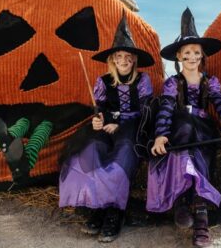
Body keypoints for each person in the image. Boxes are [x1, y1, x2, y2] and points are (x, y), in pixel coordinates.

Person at [57, 13, 156, 243]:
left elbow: (145, 112)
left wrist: (118, 122)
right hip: (106, 128)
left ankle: (114, 212)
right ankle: (98, 207)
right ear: (112, 59)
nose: (123, 60)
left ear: (134, 59)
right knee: (90, 151)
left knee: (123, 154)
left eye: (128, 56)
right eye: (119, 56)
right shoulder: (102, 81)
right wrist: (98, 120)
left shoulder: (143, 81)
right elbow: (100, 109)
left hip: (132, 127)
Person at [147, 8, 221, 248]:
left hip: (202, 128)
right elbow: (166, 109)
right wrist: (160, 136)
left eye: (196, 52)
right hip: (179, 129)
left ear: (202, 56)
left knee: (197, 144)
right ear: (179, 56)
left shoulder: (210, 81)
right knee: (184, 131)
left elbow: (220, 105)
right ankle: (182, 201)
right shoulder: (173, 83)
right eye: (187, 52)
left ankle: (200, 217)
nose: (192, 57)